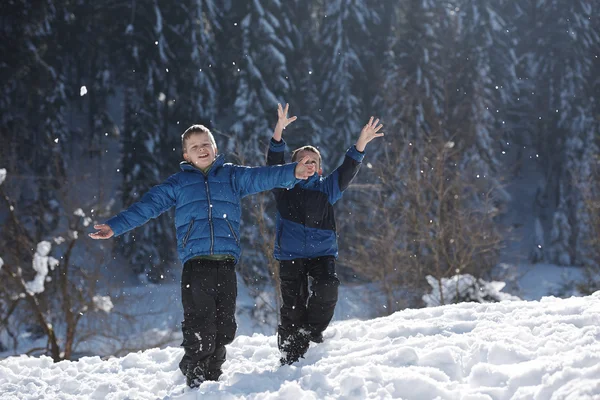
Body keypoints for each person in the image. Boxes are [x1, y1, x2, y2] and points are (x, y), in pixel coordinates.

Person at [89, 124, 315, 387]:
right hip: (196, 267)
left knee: (225, 328)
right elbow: (147, 207)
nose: (201, 149)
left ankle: (212, 374)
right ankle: (194, 372)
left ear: (215, 148)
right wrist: (115, 226)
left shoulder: (231, 176)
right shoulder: (179, 183)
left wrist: (293, 172)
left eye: (206, 144)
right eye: (194, 147)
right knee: (201, 327)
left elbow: (262, 176)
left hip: (226, 265)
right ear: (186, 155)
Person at [267, 103, 384, 365]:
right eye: (303, 160)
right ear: (293, 165)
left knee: (328, 288)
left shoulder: (327, 188)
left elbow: (348, 169)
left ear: (320, 168)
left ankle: (312, 331)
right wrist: (278, 134)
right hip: (290, 255)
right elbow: (273, 163)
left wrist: (361, 143)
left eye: (314, 161)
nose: (309, 164)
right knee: (292, 306)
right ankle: (290, 352)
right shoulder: (283, 185)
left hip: (322, 254)